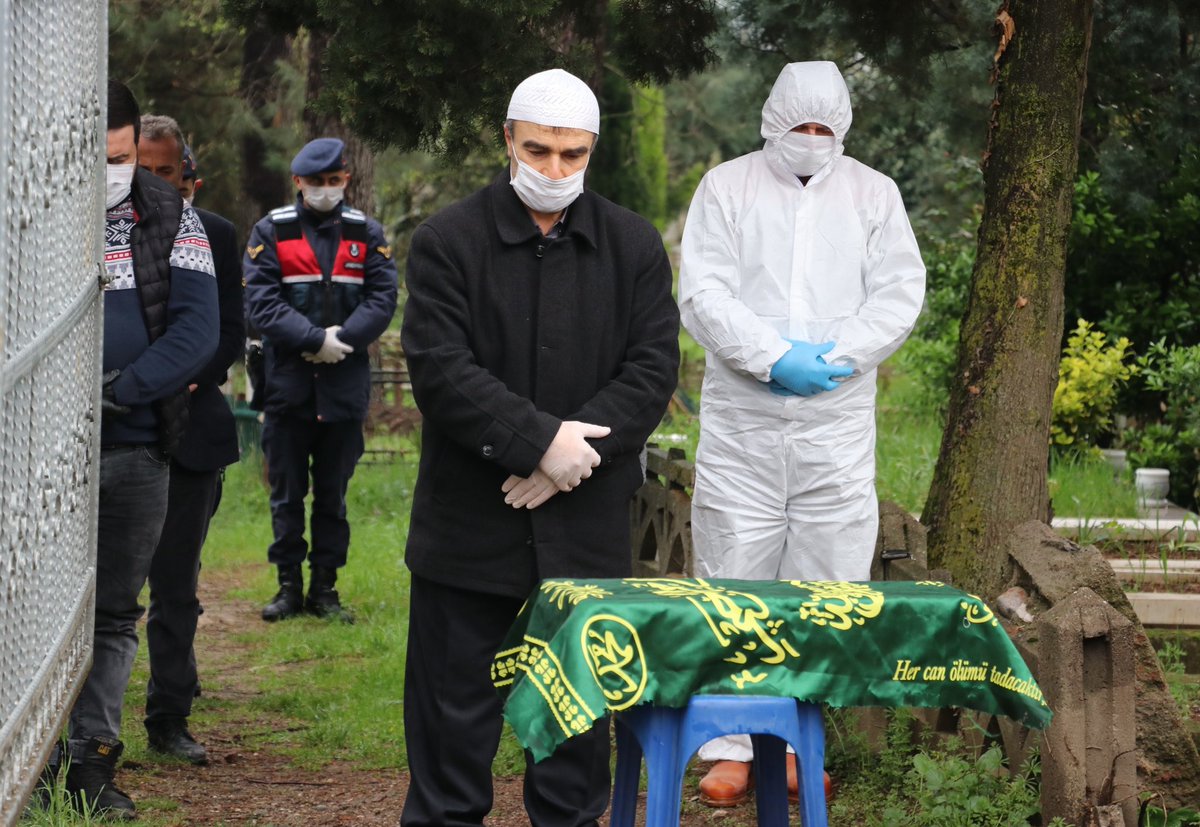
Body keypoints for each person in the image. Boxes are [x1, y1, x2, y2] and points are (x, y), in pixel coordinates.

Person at [400, 68, 680, 827]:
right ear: (507, 140)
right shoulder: (447, 241)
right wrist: (537, 442)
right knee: (450, 747)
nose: (554, 170)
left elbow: (653, 368)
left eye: (572, 154)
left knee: (574, 757)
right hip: (469, 535)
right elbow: (440, 368)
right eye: (538, 150)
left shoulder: (631, 244)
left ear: (593, 149)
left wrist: (568, 462)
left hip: (583, 538)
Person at [678, 60, 926, 806]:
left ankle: (795, 743)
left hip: (835, 422)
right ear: (772, 121)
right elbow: (704, 289)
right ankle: (727, 747)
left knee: (826, 581)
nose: (811, 141)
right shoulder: (727, 186)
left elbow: (899, 291)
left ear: (843, 129)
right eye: (799, 127)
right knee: (733, 574)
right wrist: (771, 356)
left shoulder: (874, 194)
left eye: (824, 128)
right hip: (744, 423)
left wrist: (837, 356)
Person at [56, 80, 219, 820]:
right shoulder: (39, 206)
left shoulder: (174, 216)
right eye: (104, 157)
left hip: (135, 446)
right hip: (37, 451)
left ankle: (90, 763)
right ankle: (27, 757)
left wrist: (119, 391)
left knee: (116, 614)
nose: (115, 171)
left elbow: (196, 330)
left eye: (123, 156)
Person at [243, 138, 398, 623]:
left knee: (333, 496)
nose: (325, 190)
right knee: (287, 495)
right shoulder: (271, 231)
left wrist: (344, 339)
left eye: (333, 182)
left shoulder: (367, 233)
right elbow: (261, 302)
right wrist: (313, 339)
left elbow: (382, 296)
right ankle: (288, 587)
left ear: (346, 180)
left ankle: (325, 589)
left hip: (342, 387)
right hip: (289, 387)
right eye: (316, 183)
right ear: (299, 183)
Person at [137, 114, 244, 765]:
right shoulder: (99, 232)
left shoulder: (216, 236)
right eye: (139, 170)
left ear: (188, 177)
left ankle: (168, 714)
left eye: (164, 173)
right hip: (113, 432)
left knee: (176, 583)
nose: (151, 183)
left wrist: (174, 379)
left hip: (191, 431)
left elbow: (227, 331)